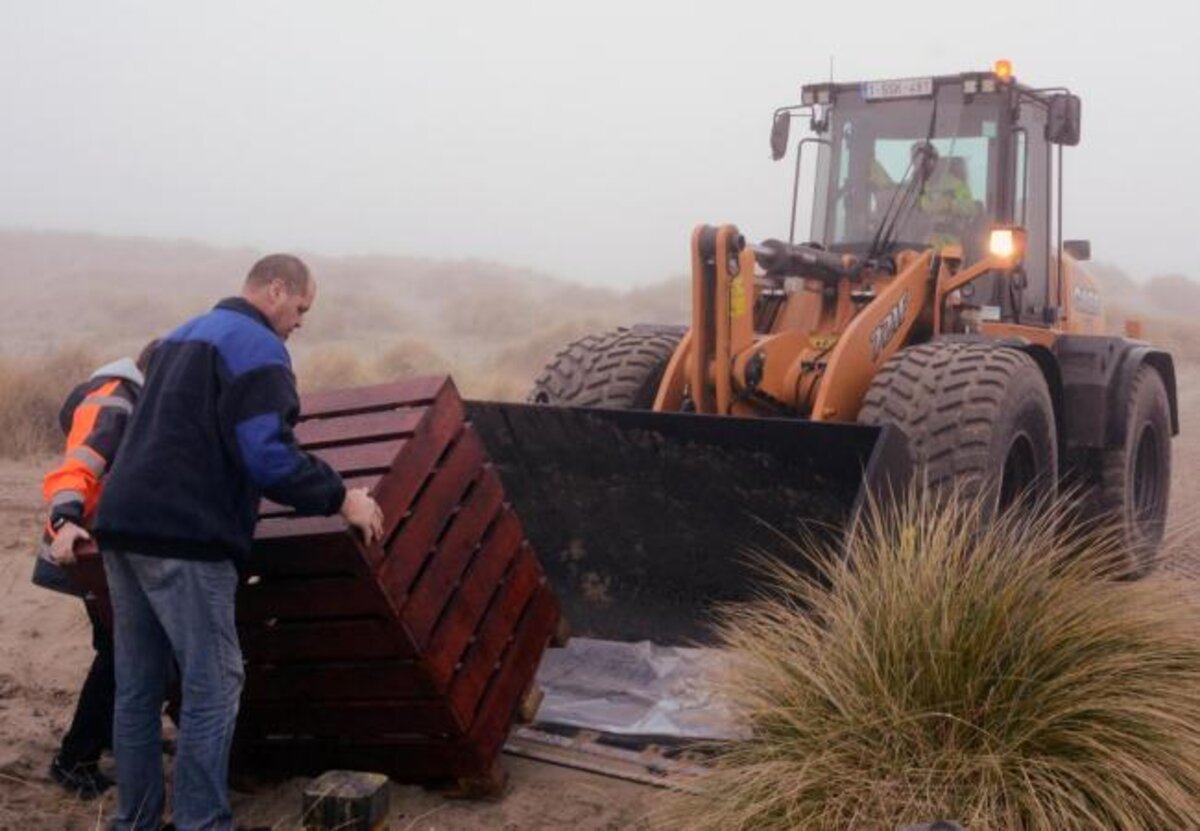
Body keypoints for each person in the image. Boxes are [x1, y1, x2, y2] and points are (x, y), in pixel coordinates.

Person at [94, 254, 383, 831]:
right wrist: (341, 497)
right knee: (214, 683)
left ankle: (135, 822)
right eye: (300, 309)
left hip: (122, 528)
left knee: (138, 688)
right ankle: (203, 822)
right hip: (185, 538)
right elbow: (269, 458)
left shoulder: (181, 334)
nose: (299, 323)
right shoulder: (256, 347)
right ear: (276, 290)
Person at [36, 341, 157, 798]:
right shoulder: (115, 396)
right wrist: (65, 520)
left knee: (116, 644)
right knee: (118, 649)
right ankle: (75, 758)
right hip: (82, 543)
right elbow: (81, 463)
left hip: (100, 542)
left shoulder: (132, 398)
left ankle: (103, 736)